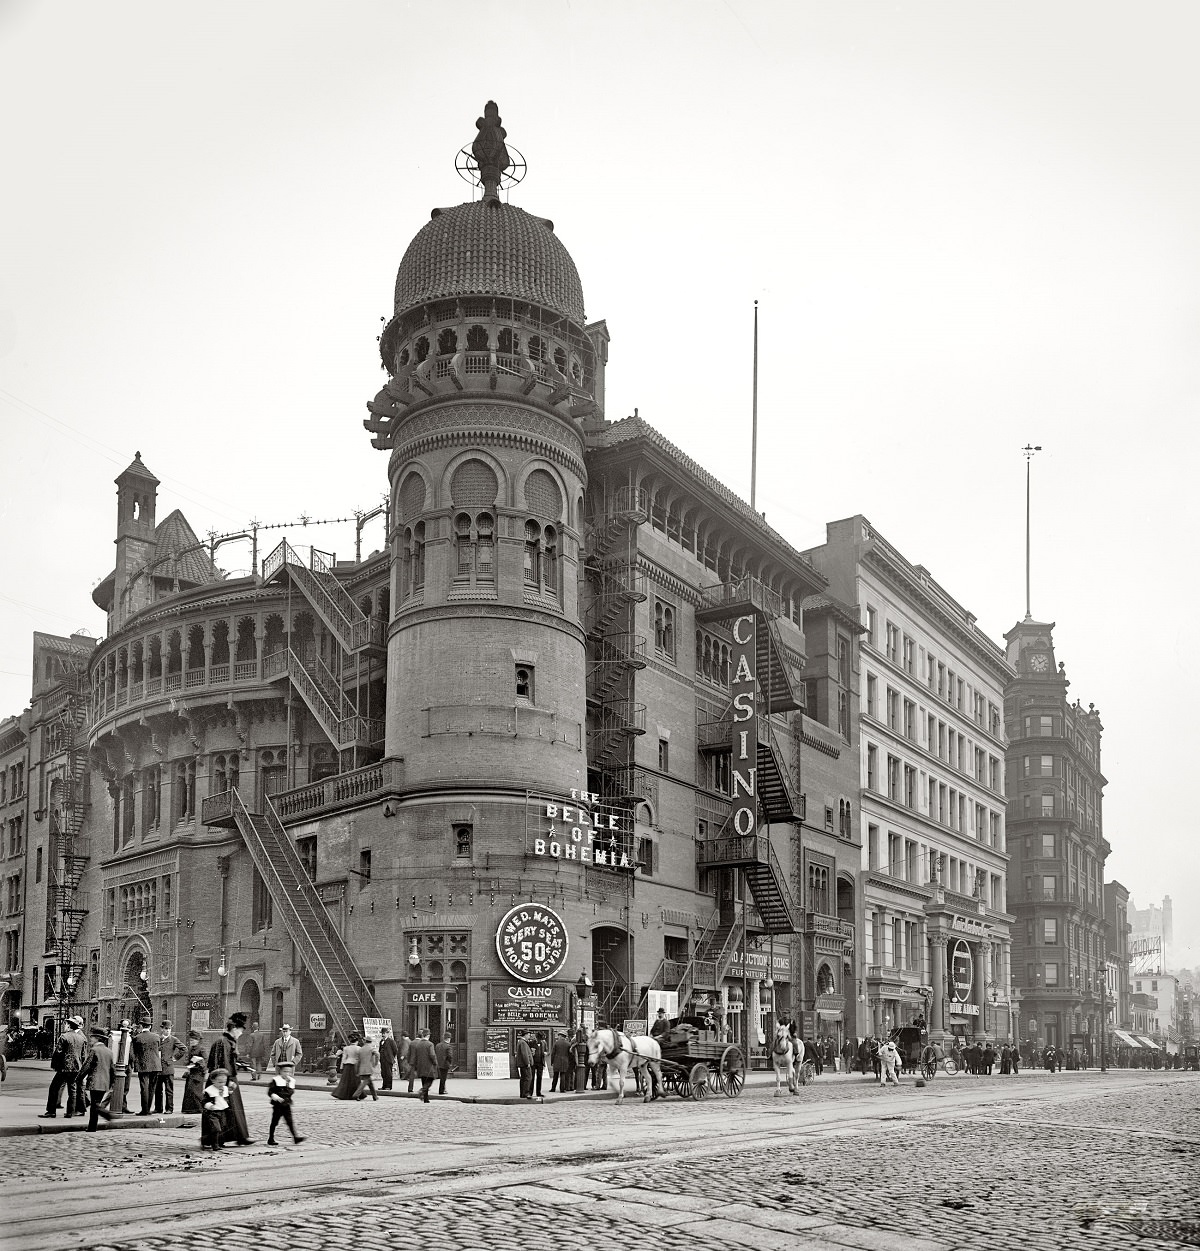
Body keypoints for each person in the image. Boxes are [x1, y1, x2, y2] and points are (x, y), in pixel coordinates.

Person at [206, 1013, 255, 1145]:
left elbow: (229, 1061)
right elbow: (223, 1063)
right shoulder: (223, 1042)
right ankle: (222, 1138)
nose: (240, 1034)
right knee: (223, 1110)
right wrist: (227, 1082)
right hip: (223, 1080)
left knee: (229, 1110)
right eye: (240, 1031)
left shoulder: (227, 1042)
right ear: (234, 1029)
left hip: (226, 1079)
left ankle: (236, 1137)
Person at [40, 1015, 87, 1119]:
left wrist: (55, 1065)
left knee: (54, 1088)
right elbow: (83, 1055)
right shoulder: (81, 1038)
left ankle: (51, 1111)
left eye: (66, 1024)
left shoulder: (64, 1036)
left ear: (69, 1026)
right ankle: (70, 1112)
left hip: (64, 1067)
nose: (65, 1026)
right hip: (76, 1067)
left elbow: (58, 1052)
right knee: (72, 1090)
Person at [79, 1028, 114, 1132]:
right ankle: (92, 1127)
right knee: (95, 1103)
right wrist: (111, 1083)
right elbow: (112, 1069)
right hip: (104, 1083)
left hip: (95, 1081)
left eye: (92, 1037)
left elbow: (87, 1066)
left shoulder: (94, 1050)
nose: (91, 1039)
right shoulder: (109, 1051)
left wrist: (79, 1078)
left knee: (94, 1104)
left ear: (98, 1038)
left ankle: (103, 1115)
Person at [266, 1060, 305, 1145]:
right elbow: (270, 1092)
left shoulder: (291, 1081)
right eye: (284, 1071)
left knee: (290, 1121)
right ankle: (270, 1138)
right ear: (280, 1071)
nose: (287, 1073)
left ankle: (295, 1137)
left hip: (286, 1105)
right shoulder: (276, 1080)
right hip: (278, 1105)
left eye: (289, 1071)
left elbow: (290, 1092)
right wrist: (276, 1097)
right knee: (274, 1122)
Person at [131, 1022, 162, 1116]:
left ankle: (144, 1110)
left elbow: (135, 1052)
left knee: (144, 1087)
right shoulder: (156, 1037)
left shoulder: (137, 1038)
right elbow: (158, 1049)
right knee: (152, 1087)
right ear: (150, 1026)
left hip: (143, 1065)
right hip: (155, 1065)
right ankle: (148, 1109)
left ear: (141, 1026)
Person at [156, 1021, 185, 1113]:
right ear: (162, 1029)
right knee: (158, 1090)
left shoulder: (173, 1039)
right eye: (166, 1029)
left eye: (169, 1029)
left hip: (168, 1068)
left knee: (169, 1090)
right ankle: (158, 1108)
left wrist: (175, 1058)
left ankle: (169, 1108)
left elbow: (184, 1049)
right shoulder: (158, 1039)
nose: (167, 1031)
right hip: (158, 1068)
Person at [201, 1068, 233, 1150]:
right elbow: (204, 1101)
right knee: (216, 1128)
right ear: (213, 1080)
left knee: (222, 1127)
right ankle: (214, 1144)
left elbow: (226, 1096)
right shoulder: (209, 1090)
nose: (222, 1084)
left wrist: (231, 1089)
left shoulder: (225, 1088)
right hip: (213, 1112)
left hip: (222, 1111)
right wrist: (209, 1105)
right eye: (219, 1082)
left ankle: (220, 1142)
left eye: (224, 1082)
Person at [409, 1027, 437, 1102]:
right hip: (428, 1066)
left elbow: (415, 1055)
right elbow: (432, 1055)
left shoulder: (418, 1044)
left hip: (420, 1066)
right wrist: (435, 1062)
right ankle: (422, 1090)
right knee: (430, 1080)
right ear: (428, 1035)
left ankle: (425, 1098)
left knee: (424, 1081)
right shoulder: (430, 1044)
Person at [181, 1030, 207, 1113]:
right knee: (189, 1091)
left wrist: (199, 1061)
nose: (191, 1042)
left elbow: (206, 1060)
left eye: (192, 1040)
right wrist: (188, 1063)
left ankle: (199, 1109)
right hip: (192, 1072)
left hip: (198, 1073)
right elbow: (187, 1060)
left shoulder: (202, 1049)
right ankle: (189, 1109)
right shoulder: (190, 1049)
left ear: (197, 1040)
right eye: (190, 1040)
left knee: (196, 1092)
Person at [332, 1033, 361, 1099]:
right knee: (355, 1081)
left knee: (346, 1081)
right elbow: (360, 1058)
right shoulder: (359, 1048)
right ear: (356, 1041)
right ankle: (356, 1094)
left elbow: (344, 1058)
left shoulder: (346, 1048)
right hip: (355, 1065)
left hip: (347, 1065)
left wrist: (341, 1067)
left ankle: (343, 1094)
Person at [354, 1032, 379, 1101]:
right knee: (365, 1082)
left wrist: (357, 1070)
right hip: (369, 1068)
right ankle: (356, 1094)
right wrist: (375, 1063)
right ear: (370, 1042)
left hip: (362, 1069)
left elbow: (358, 1061)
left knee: (370, 1083)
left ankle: (375, 1096)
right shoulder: (371, 1049)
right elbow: (377, 1054)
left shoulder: (361, 1049)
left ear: (365, 1041)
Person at [515, 1032, 534, 1100]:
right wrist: (527, 1062)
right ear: (525, 1035)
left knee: (523, 1078)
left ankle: (522, 1093)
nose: (529, 1036)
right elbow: (524, 1054)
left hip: (522, 1064)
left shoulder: (521, 1042)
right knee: (528, 1078)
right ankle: (526, 1093)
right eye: (529, 1035)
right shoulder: (523, 1042)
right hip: (524, 1064)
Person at [400, 1028, 414, 1093]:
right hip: (409, 1056)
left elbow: (405, 1049)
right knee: (407, 1066)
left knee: (405, 1066)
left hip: (406, 1057)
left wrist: (402, 1055)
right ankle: (407, 1076)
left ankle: (407, 1076)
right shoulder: (410, 1041)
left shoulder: (405, 1041)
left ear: (403, 1036)